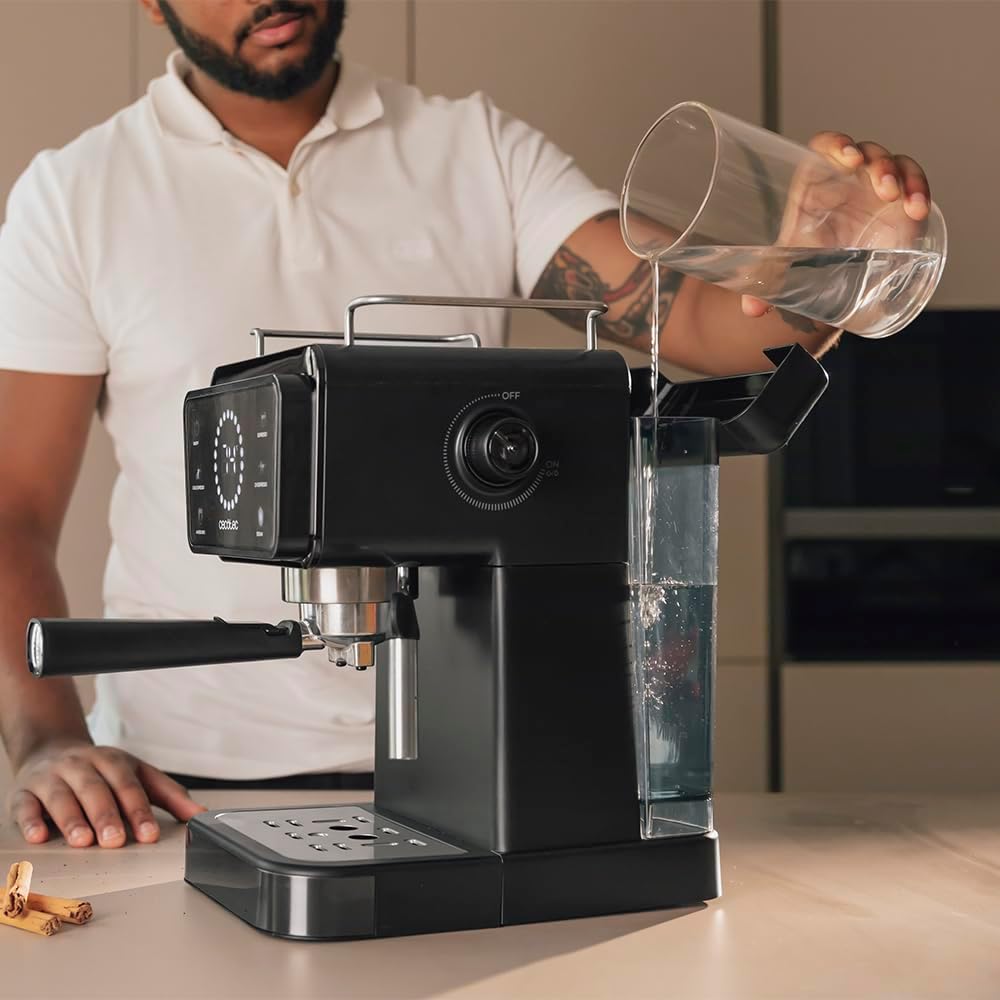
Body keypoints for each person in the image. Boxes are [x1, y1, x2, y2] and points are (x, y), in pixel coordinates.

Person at [0, 0, 932, 848]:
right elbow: (14, 511)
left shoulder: (472, 150)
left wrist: (822, 258)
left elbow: (690, 326)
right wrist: (47, 738)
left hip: (468, 751)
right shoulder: (76, 195)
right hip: (183, 778)